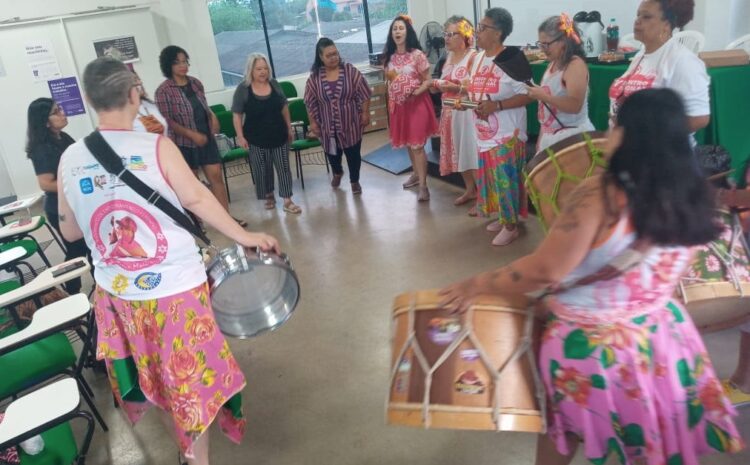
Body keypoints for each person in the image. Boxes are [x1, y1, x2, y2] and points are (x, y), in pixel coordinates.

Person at [441, 88, 744, 465]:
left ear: (628, 134)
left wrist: (477, 284)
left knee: (564, 425)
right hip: (661, 338)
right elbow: (677, 274)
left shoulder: (601, 195)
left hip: (592, 346)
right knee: (648, 432)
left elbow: (545, 269)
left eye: (615, 124)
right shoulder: (692, 193)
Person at [57, 57, 281, 465]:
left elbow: (70, 231)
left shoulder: (71, 158)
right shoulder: (156, 146)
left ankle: (184, 451)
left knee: (155, 377)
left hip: (119, 297)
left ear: (89, 99)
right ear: (133, 94)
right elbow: (196, 198)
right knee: (189, 380)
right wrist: (245, 236)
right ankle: (198, 459)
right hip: (175, 292)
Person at [154, 45, 247, 227]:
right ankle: (197, 223)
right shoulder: (164, 91)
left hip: (206, 139)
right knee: (191, 184)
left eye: (184, 61)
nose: (183, 65)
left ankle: (225, 219)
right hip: (183, 144)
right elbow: (168, 121)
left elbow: (204, 106)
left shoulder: (196, 83)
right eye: (177, 62)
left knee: (216, 177)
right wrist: (191, 134)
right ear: (168, 65)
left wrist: (212, 117)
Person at [464, 8, 531, 245]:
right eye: (478, 26)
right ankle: (504, 218)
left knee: (506, 181)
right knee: (493, 180)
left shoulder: (512, 58)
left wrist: (498, 105)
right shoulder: (479, 58)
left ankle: (511, 226)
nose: (477, 32)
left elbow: (530, 95)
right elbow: (477, 89)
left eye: (483, 28)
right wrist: (467, 102)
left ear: (498, 32)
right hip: (485, 133)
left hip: (507, 135)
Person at [608, 0, 710, 136]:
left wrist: (651, 134)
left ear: (666, 25)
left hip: (662, 154)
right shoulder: (641, 54)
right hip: (629, 149)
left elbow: (699, 118)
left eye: (646, 16)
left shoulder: (683, 60)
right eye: (638, 15)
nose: (637, 21)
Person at [25, 98, 90, 294]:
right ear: (45, 121)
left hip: (75, 203)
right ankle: (70, 291)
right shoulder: (42, 148)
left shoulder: (63, 138)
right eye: (56, 111)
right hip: (59, 207)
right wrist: (74, 185)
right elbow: (45, 183)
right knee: (77, 250)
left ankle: (94, 287)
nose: (63, 113)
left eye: (60, 108)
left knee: (86, 247)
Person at [232, 53, 302, 214]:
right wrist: (240, 136)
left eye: (265, 68)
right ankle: (268, 194)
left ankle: (287, 200)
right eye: (258, 69)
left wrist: (289, 127)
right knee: (262, 169)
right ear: (251, 70)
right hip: (256, 138)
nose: (263, 72)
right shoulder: (243, 89)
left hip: (278, 134)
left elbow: (284, 107)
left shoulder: (275, 84)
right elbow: (236, 114)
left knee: (284, 168)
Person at [304, 37, 371, 195]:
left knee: (353, 155)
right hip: (327, 125)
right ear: (321, 57)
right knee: (332, 154)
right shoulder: (314, 78)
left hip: (351, 122)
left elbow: (365, 92)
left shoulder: (350, 71)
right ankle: (337, 172)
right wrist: (312, 122)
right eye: (329, 55)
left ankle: (355, 181)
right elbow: (309, 101)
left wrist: (365, 112)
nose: (334, 57)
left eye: (335, 53)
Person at [382, 14, 439, 201]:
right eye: (394, 29)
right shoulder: (389, 57)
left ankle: (424, 185)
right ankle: (415, 173)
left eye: (401, 28)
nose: (397, 32)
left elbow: (429, 81)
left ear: (408, 32)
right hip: (399, 107)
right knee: (408, 142)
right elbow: (390, 79)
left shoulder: (417, 55)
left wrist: (415, 91)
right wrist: (395, 90)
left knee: (417, 146)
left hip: (417, 105)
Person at [526, 14, 595, 152]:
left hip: (571, 138)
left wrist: (544, 96)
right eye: (540, 44)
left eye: (546, 44)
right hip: (551, 136)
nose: (542, 48)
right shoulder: (553, 63)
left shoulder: (575, 65)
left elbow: (575, 105)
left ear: (563, 40)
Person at [431, 16, 479, 208]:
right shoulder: (448, 57)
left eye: (452, 34)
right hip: (450, 112)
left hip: (467, 113)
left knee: (471, 154)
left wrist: (456, 87)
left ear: (465, 35)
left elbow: (478, 88)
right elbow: (443, 82)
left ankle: (483, 197)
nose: (447, 38)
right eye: (445, 34)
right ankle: (470, 189)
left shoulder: (474, 57)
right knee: (459, 153)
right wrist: (435, 87)